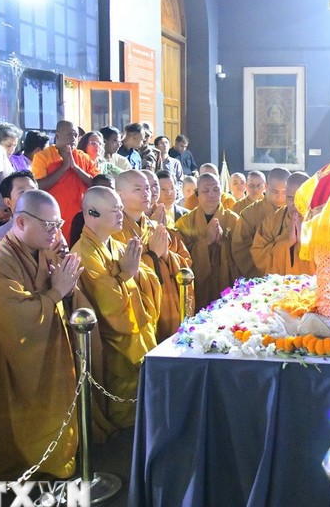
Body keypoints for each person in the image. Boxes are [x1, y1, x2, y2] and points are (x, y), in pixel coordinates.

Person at [0, 190, 82, 479]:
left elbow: (61, 291)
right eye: (49, 225)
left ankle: (58, 456)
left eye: (59, 224)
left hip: (51, 350)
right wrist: (57, 291)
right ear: (20, 222)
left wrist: (67, 288)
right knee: (22, 430)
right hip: (16, 359)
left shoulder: (45, 251)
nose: (56, 232)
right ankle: (33, 464)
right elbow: (18, 321)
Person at [72, 186, 160, 429]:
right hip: (113, 339)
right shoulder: (84, 254)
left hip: (138, 330)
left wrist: (136, 273)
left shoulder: (119, 246)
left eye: (121, 209)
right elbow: (108, 305)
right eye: (114, 211)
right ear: (92, 213)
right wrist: (127, 274)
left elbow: (148, 279)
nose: (121, 215)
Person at [114, 169, 192, 341]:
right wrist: (153, 256)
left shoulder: (155, 227)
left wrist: (166, 255)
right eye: (137, 189)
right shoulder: (115, 231)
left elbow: (185, 262)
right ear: (119, 195)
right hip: (140, 309)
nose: (146, 194)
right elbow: (118, 275)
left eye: (147, 188)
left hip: (166, 302)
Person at [175, 173, 239, 309]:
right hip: (198, 288)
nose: (211, 194)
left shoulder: (234, 220)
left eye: (216, 190)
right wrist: (205, 242)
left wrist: (223, 242)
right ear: (197, 193)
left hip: (226, 285)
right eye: (205, 190)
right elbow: (180, 259)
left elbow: (242, 255)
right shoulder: (185, 222)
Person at [31, 121, 98, 242]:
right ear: (57, 136)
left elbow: (97, 184)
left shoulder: (84, 157)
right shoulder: (43, 157)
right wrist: (64, 167)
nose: (73, 138)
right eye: (69, 134)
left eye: (75, 135)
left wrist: (76, 168)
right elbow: (38, 186)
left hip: (81, 219)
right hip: (54, 218)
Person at [252, 172, 314, 277]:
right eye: (291, 198)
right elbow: (258, 255)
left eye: (301, 199)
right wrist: (287, 243)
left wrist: (306, 242)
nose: (296, 204)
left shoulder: (321, 220)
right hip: (280, 285)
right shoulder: (272, 221)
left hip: (313, 285)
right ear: (285, 194)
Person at [231, 168, 289, 279]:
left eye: (284, 192)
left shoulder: (295, 213)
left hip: (291, 277)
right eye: (275, 191)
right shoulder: (249, 214)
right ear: (266, 187)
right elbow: (241, 250)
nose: (280, 197)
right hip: (259, 277)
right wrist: (260, 274)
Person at [0, 170, 39, 241]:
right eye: (22, 192)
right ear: (8, 202)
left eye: (33, 190)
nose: (30, 195)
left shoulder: (51, 226)